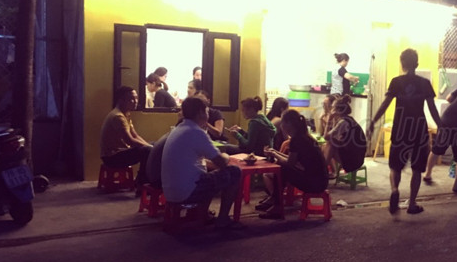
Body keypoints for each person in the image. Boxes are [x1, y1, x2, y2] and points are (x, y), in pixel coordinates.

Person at [367, 48, 441, 215]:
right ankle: (412, 204)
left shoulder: (396, 82)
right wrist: (441, 126)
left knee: (396, 166)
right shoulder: (424, 83)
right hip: (419, 130)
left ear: (402, 64)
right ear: (417, 64)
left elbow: (385, 104)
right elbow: (432, 109)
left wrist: (373, 121)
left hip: (400, 129)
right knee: (417, 169)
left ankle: (395, 190)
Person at [161, 96, 242, 230]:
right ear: (200, 113)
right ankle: (222, 220)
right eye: (207, 111)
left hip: (170, 191)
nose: (208, 115)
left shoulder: (178, 129)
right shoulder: (196, 132)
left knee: (209, 174)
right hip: (189, 191)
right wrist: (227, 156)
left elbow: (196, 162)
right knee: (234, 172)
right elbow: (221, 162)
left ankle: (202, 215)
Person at [258, 110, 328, 219]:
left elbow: (290, 163)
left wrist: (274, 154)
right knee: (282, 166)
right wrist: (274, 152)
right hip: (320, 181)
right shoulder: (304, 137)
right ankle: (274, 200)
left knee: (282, 168)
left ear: (289, 124)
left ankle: (277, 205)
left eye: (282, 122)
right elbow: (292, 159)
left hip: (315, 183)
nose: (281, 126)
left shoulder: (297, 140)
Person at [99, 86, 152, 191]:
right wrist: (150, 149)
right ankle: (141, 183)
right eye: (131, 99)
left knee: (152, 146)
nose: (135, 101)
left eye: (136, 98)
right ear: (121, 100)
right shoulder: (118, 116)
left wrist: (151, 146)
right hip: (111, 157)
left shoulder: (125, 114)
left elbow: (135, 136)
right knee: (147, 151)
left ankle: (141, 180)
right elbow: (130, 141)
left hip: (119, 153)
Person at [324, 95, 367, 173]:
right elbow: (333, 137)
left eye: (332, 107)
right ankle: (325, 171)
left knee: (330, 144)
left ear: (338, 110)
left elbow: (326, 137)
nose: (331, 110)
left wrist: (329, 120)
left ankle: (321, 171)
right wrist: (333, 119)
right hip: (356, 157)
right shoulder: (347, 119)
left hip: (354, 161)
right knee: (328, 144)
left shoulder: (343, 122)